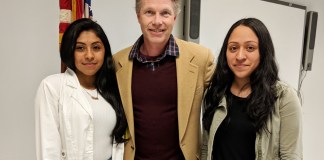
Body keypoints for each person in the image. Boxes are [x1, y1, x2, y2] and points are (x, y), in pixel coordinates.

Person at [113, 0, 215, 159]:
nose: (157, 21)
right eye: (149, 12)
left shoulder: (200, 58)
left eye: (165, 13)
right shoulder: (118, 63)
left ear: (174, 17)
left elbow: (229, 93)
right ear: (138, 16)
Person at [201, 18, 303, 160]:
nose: (240, 56)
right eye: (233, 48)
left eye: (250, 48)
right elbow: (206, 149)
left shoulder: (284, 97)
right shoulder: (215, 92)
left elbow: (290, 156)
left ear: (263, 52)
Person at [35, 18, 127, 160]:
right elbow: (48, 150)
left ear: (105, 51)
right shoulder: (52, 87)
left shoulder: (113, 88)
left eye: (96, 47)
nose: (89, 55)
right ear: (70, 51)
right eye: (80, 48)